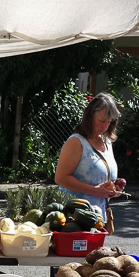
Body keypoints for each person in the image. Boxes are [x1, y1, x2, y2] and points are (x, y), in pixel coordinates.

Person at [54, 92, 122, 220]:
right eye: (101, 121)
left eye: (109, 122)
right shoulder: (76, 142)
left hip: (98, 218)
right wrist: (95, 190)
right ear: (90, 117)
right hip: (74, 219)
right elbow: (60, 178)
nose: (105, 126)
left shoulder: (107, 142)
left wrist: (114, 189)